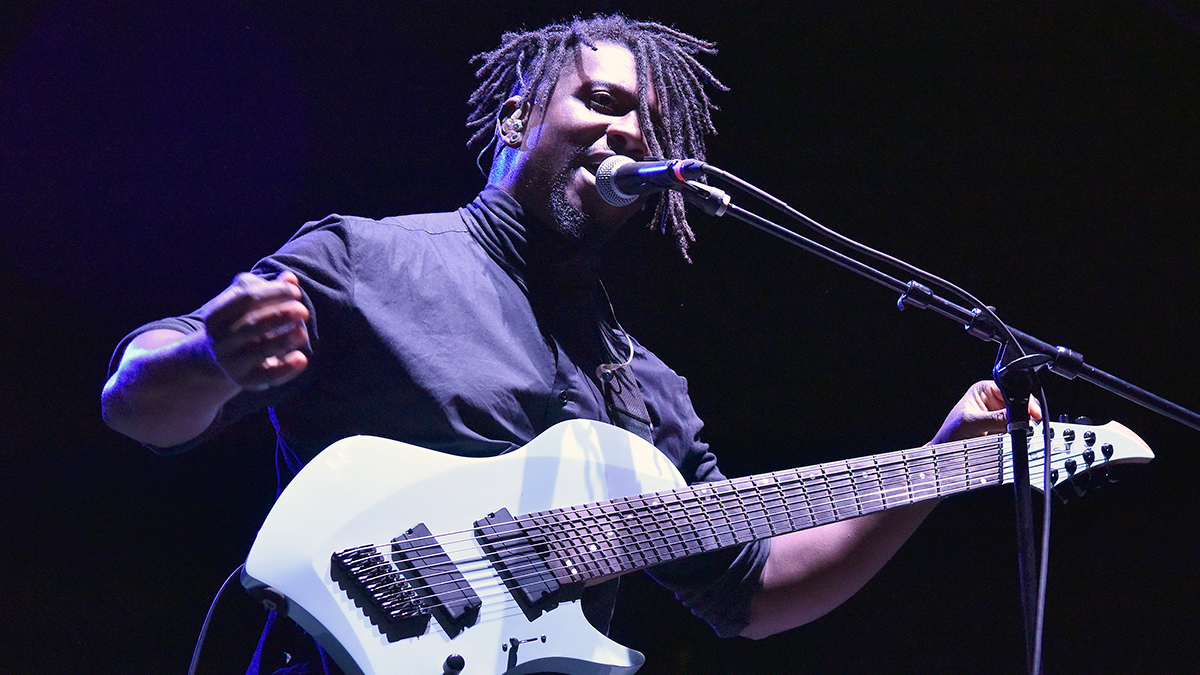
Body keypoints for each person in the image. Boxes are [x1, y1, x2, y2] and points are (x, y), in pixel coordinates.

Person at [102, 14, 1038, 675]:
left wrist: (945, 464)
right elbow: (135, 402)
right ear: (516, 117)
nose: (626, 129)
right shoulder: (372, 259)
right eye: (599, 98)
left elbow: (756, 591)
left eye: (646, 122)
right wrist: (212, 357)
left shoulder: (648, 393)